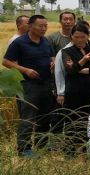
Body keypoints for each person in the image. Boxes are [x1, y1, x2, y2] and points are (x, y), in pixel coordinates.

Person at [3, 14, 55, 156]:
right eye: (40, 26)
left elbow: (52, 56)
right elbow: (6, 62)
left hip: (46, 83)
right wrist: (25, 70)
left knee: (45, 116)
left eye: (45, 26)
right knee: (28, 117)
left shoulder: (45, 41)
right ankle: (24, 149)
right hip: (28, 85)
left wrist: (53, 62)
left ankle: (42, 144)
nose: (44, 29)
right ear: (30, 26)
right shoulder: (19, 42)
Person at [63, 24, 90, 124]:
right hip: (74, 91)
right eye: (76, 37)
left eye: (83, 37)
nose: (80, 40)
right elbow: (70, 70)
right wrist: (84, 59)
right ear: (71, 37)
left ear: (87, 36)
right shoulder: (66, 51)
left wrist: (83, 70)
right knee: (75, 119)